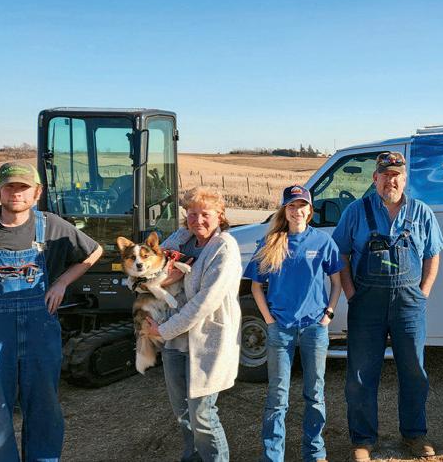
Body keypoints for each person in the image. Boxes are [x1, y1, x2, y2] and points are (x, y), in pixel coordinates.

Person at [0, 162, 103, 461]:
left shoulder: (52, 226)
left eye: (23, 187)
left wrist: (61, 283)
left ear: (37, 192)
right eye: (9, 186)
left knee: (44, 407)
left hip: (39, 333)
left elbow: (94, 252)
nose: (16, 193)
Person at [332, 152, 443, 461]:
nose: (390, 181)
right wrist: (351, 294)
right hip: (366, 305)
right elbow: (341, 254)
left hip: (409, 305)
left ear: (404, 179)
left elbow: (433, 254)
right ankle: (363, 440)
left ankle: (414, 434)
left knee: (414, 371)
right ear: (375, 179)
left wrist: (423, 292)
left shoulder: (421, 212)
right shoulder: (355, 211)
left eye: (396, 176)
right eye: (385, 175)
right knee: (361, 373)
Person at [246, 185, 343, 462]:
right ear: (284, 210)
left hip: (314, 328)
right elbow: (255, 286)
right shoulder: (271, 243)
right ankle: (272, 456)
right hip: (281, 329)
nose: (297, 211)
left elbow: (336, 282)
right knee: (278, 396)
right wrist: (269, 320)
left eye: (302, 206)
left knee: (315, 393)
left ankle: (314, 452)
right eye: (291, 206)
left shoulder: (323, 242)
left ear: (310, 211)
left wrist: (328, 315)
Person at [147, 186, 243, 462]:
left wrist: (163, 330)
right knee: (183, 414)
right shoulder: (179, 240)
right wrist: (164, 279)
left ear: (220, 215)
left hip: (208, 340)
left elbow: (205, 302)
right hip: (176, 343)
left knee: (202, 415)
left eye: (205, 214)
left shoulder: (224, 247)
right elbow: (145, 275)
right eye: (191, 213)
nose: (197, 220)